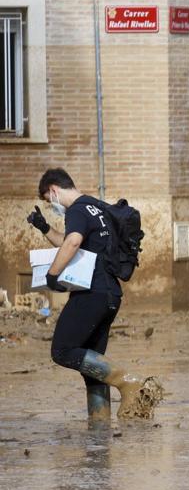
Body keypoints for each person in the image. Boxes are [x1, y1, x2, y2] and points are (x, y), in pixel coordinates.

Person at [26, 168, 152, 423]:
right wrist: (44, 227)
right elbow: (69, 240)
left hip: (92, 293)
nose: (51, 205)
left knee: (62, 351)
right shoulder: (96, 206)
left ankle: (129, 382)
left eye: (48, 200)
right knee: (93, 370)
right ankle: (99, 432)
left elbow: (72, 242)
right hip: (110, 295)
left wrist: (53, 275)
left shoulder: (76, 210)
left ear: (53, 190)